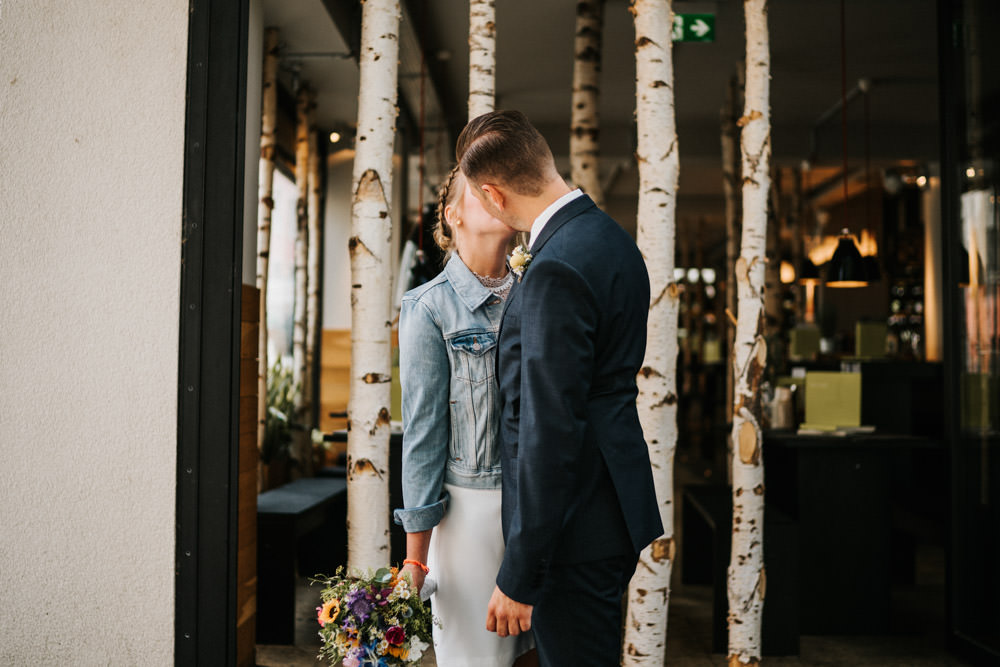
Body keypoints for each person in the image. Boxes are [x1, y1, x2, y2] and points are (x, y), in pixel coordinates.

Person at [456, 110, 664, 665]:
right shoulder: (610, 238)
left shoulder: (555, 267)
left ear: (494, 196)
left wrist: (523, 571)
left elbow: (551, 429)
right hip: (606, 506)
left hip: (576, 527)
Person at [394, 166, 536, 667]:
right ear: (452, 217)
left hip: (540, 509)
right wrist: (415, 558)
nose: (496, 198)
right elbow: (423, 436)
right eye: (479, 194)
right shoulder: (428, 309)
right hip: (472, 514)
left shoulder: (539, 293)